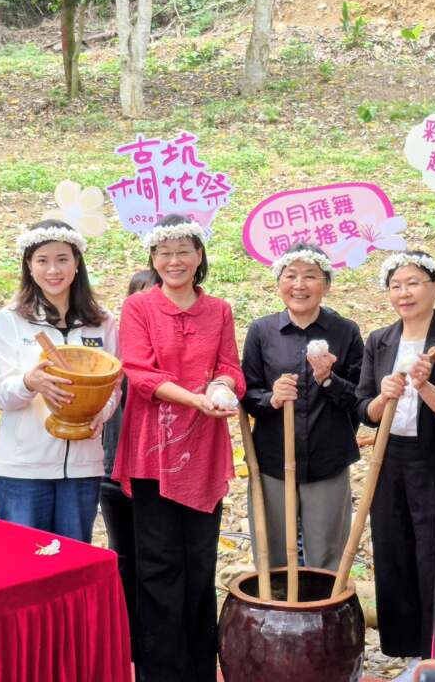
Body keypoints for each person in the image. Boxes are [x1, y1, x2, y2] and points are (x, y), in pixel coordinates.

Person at [113, 214, 244, 682]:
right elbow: (138, 371)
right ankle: (160, 673)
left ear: (199, 255)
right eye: (164, 253)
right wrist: (194, 399)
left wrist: (223, 385)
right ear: (152, 259)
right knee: (158, 563)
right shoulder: (139, 308)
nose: (174, 261)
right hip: (152, 449)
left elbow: (230, 365)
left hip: (203, 450)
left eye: (183, 251)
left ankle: (198, 671)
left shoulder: (219, 310)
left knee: (200, 561)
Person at [355, 251, 435, 661]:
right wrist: (382, 398)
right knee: (394, 548)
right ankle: (405, 648)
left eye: (413, 283)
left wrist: (426, 386)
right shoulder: (380, 340)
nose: (404, 293)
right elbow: (365, 410)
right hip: (390, 460)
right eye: (396, 286)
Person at [0, 220, 120, 543]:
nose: (53, 270)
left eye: (62, 259)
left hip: (83, 466)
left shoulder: (101, 321)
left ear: (77, 263)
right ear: (29, 265)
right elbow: (2, 395)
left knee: (73, 562)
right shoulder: (12, 318)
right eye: (43, 260)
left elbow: (113, 387)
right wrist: (29, 382)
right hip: (23, 467)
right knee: (23, 562)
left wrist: (101, 412)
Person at [241, 242, 364, 571]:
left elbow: (361, 399)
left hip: (328, 460)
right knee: (272, 556)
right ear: (278, 282)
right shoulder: (262, 331)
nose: (299, 284)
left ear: (326, 284)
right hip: (272, 460)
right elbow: (247, 393)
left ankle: (323, 604)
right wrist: (272, 398)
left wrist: (328, 379)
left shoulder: (345, 331)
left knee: (326, 558)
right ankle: (276, 604)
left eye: (310, 276)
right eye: (290, 275)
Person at [100, 268, 156, 673]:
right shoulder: (111, 351)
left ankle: (154, 643)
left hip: (158, 473)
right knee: (123, 557)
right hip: (113, 471)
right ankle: (125, 642)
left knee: (157, 557)